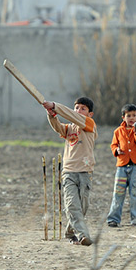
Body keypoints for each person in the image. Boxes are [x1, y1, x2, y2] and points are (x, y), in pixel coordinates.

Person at [43, 97, 98, 246]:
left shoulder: (89, 124)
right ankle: (83, 235)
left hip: (85, 171)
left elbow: (72, 116)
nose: (78, 111)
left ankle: (70, 231)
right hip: (68, 171)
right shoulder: (69, 128)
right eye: (77, 108)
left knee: (82, 206)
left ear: (90, 114)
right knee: (72, 205)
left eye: (83, 109)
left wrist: (55, 106)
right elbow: (58, 127)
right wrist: (52, 115)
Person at [107, 103, 136, 227]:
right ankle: (113, 219)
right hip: (122, 166)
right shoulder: (118, 131)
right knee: (118, 193)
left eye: (134, 115)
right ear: (123, 117)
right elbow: (113, 145)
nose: (131, 118)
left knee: (135, 193)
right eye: (128, 116)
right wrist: (116, 151)